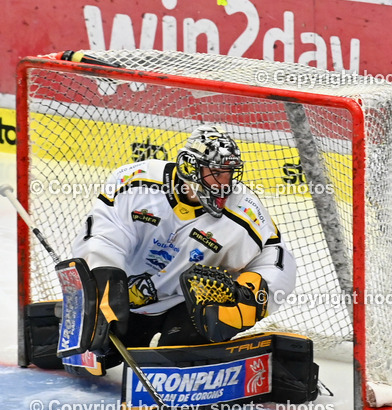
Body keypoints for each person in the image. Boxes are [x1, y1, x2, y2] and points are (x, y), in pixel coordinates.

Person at [68, 124, 297, 367]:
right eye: (216, 173)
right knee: (102, 352)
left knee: (176, 357)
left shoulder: (244, 211)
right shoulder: (136, 182)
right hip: (126, 298)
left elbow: (277, 258)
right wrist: (104, 280)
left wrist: (256, 294)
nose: (225, 183)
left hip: (189, 306)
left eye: (230, 173)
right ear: (190, 167)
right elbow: (103, 233)